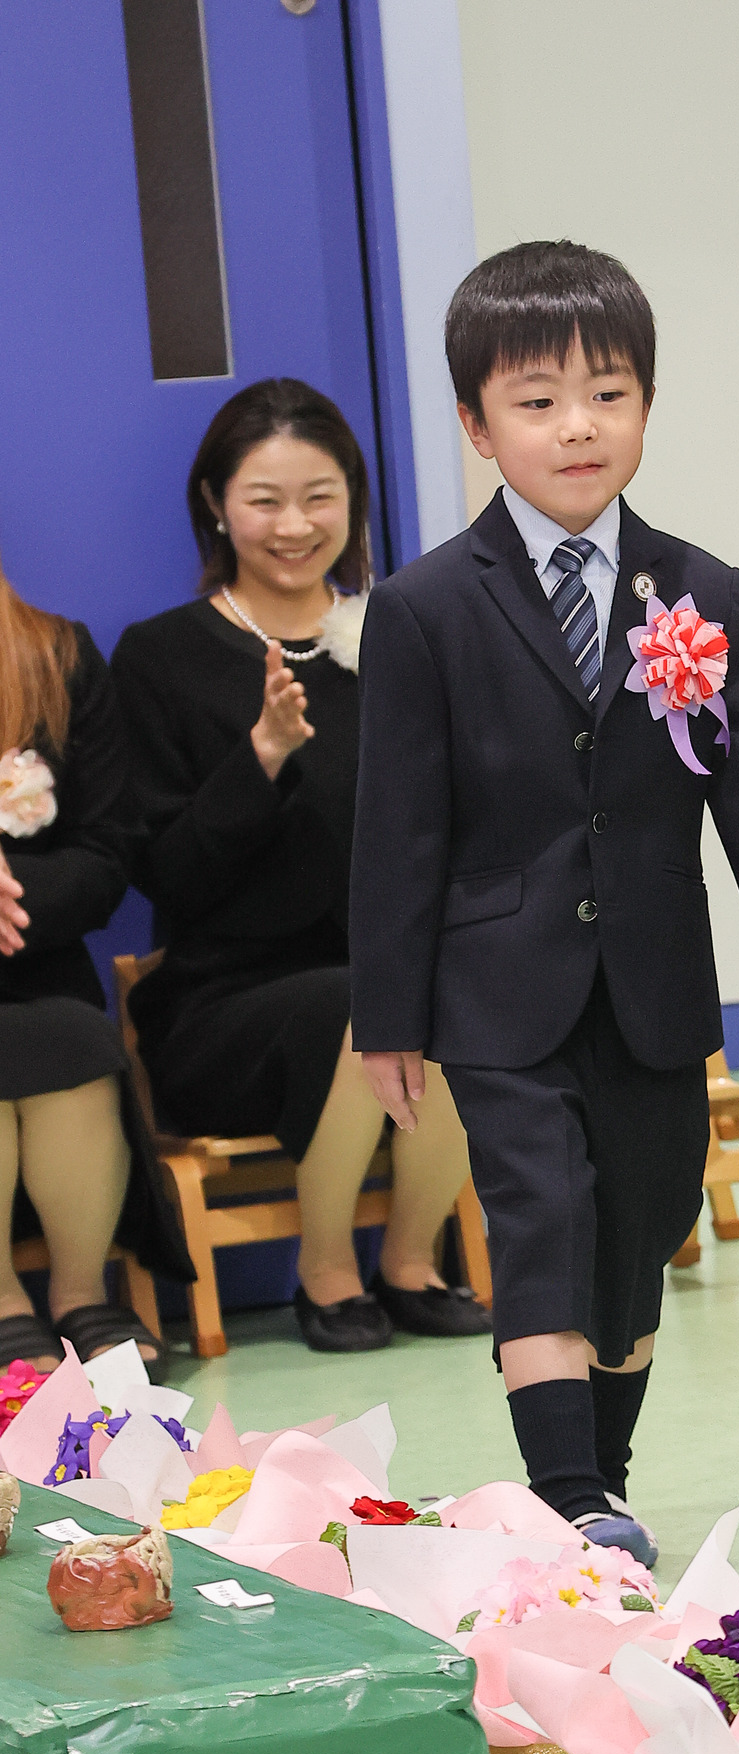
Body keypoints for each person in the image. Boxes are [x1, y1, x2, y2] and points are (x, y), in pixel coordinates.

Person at [349, 240, 739, 1563]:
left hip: (653, 975)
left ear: (646, 404)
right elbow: (397, 827)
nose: (577, 425)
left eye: (608, 393)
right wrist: (388, 1012)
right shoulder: (423, 607)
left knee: (643, 1220)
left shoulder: (701, 591)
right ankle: (569, 1490)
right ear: (477, 424)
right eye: (537, 400)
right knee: (542, 1213)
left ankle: (599, 1483)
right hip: (493, 985)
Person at [110, 379, 489, 1355]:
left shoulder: (399, 633)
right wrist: (263, 756)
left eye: (320, 497)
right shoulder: (160, 657)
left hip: (380, 966)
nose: (294, 525)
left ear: (353, 499)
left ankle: (412, 1262)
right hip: (223, 999)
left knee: (453, 979)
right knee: (371, 1000)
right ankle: (325, 1271)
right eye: (265, 500)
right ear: (215, 503)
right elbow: (166, 875)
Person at [0, 557, 191, 1374]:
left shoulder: (57, 655)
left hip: (39, 962)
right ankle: (2, 1305)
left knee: (70, 1036)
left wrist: (10, 894)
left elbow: (108, 849)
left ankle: (82, 1294)